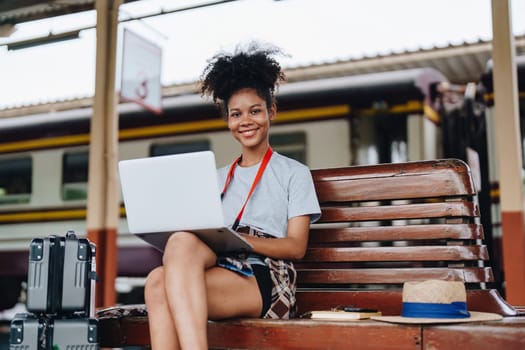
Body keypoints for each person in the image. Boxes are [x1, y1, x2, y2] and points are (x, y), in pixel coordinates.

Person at [144, 42, 321, 350]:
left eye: (255, 111)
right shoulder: (216, 178)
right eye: (236, 114)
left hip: (265, 273)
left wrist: (242, 241)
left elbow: (296, 247)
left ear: (271, 112)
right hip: (222, 263)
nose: (246, 121)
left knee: (161, 284)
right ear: (228, 121)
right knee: (173, 252)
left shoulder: (294, 173)